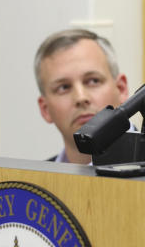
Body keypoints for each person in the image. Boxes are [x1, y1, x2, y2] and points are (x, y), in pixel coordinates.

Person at [34, 29, 129, 163]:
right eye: (64, 87)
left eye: (93, 81)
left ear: (121, 89)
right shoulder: (34, 181)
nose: (81, 98)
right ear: (45, 109)